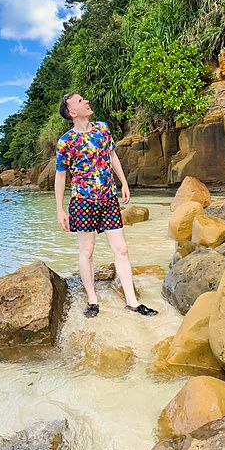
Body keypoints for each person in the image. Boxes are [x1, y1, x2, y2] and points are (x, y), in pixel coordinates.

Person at [54, 92, 158, 319]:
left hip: (109, 199)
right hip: (82, 202)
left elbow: (112, 156)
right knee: (87, 251)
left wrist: (123, 182)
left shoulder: (102, 128)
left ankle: (132, 301)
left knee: (121, 249)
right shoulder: (66, 142)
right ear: (72, 112)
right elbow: (61, 176)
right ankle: (92, 299)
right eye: (81, 101)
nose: (86, 102)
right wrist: (60, 209)